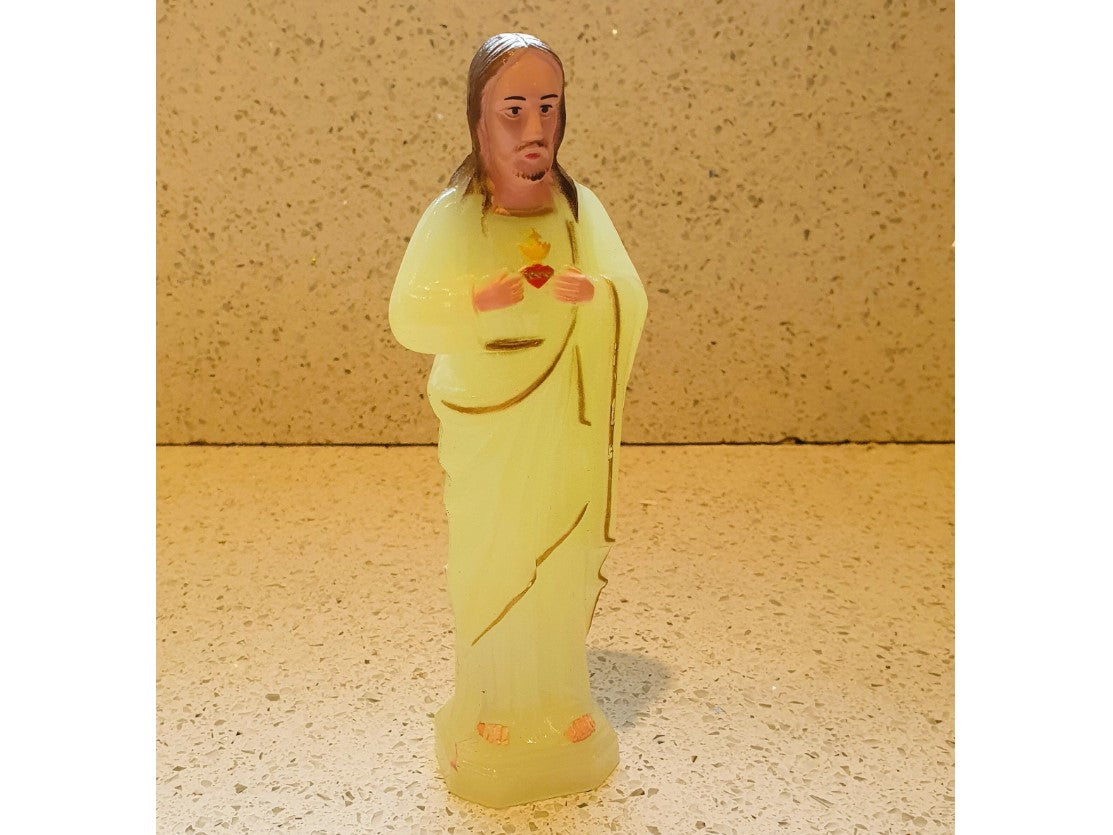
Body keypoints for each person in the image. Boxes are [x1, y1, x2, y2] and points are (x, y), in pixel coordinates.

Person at [389, 32, 648, 808]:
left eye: (547, 107)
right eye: (512, 110)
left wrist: (595, 297)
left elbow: (627, 295)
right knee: (494, 559)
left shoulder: (580, 210)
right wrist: (474, 302)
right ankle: (492, 704)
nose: (533, 128)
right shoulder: (453, 217)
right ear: (478, 117)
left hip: (563, 420)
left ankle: (561, 698)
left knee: (559, 558)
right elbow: (408, 314)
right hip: (489, 422)